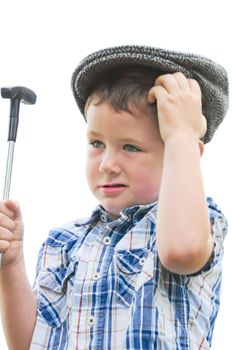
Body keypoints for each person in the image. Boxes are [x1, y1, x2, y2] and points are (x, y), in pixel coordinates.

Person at [0, 45, 229, 349]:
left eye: (131, 147)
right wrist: (10, 264)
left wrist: (182, 135)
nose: (107, 164)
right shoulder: (63, 242)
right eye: (96, 143)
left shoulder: (196, 222)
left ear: (183, 155)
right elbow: (30, 343)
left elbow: (181, 250)